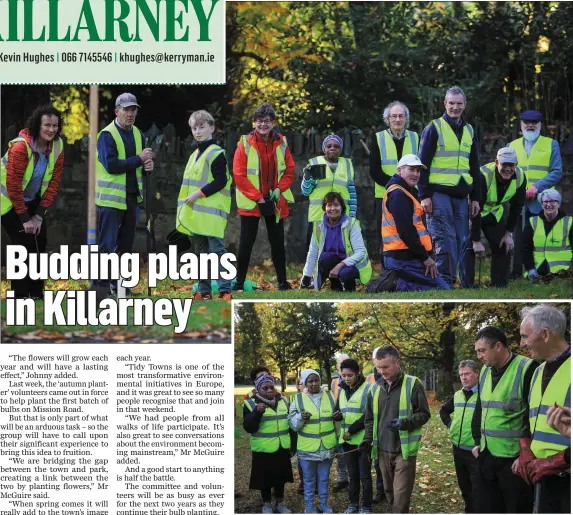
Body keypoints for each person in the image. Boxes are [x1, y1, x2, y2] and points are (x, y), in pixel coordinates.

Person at [418, 86, 481, 286]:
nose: (455, 107)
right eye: (451, 103)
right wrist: (424, 195)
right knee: (444, 239)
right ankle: (444, 281)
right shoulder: (434, 128)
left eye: (459, 103)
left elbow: (475, 166)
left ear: (465, 105)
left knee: (462, 240)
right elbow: (423, 164)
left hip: (462, 195)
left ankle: (464, 283)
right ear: (445, 104)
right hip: (438, 193)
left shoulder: (470, 130)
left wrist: (477, 197)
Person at [471, 326, 538, 513]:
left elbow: (535, 415)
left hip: (513, 460)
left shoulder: (527, 368)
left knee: (515, 508)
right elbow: (480, 407)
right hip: (486, 454)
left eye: (482, 351)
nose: (479, 356)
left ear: (498, 346)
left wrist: (526, 452)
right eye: (477, 352)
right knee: (486, 507)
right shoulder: (484, 372)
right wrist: (477, 441)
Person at [0, 104, 64, 299]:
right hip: (9, 201)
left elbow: (53, 184)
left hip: (31, 200)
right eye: (47, 125)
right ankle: (19, 296)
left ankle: (36, 293)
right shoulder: (21, 147)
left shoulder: (58, 147)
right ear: (38, 125)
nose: (51, 129)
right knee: (22, 244)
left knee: (40, 241)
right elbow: (13, 186)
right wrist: (25, 218)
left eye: (55, 125)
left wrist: (37, 216)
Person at [95, 92, 153, 295]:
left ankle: (120, 286)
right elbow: (111, 165)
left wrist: (148, 165)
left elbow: (142, 164)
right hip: (110, 200)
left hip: (131, 198)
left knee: (126, 246)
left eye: (133, 109)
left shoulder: (139, 134)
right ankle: (100, 288)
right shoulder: (106, 135)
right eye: (126, 109)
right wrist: (139, 159)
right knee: (107, 246)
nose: (130, 113)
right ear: (116, 112)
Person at [233, 102, 295, 291]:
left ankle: (283, 282)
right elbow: (239, 174)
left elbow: (290, 170)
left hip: (275, 201)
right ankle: (239, 283)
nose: (263, 125)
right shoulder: (244, 143)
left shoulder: (281, 143)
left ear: (273, 122)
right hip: (252, 202)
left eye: (267, 121)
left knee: (277, 244)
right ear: (254, 123)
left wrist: (279, 189)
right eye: (259, 121)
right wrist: (258, 197)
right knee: (245, 243)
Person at [516, 305, 570, 513]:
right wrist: (525, 448)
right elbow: (530, 418)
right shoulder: (537, 371)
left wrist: (561, 460)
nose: (521, 343)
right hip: (541, 477)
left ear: (545, 334)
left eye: (524, 336)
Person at [363, 346, 431, 513]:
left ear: (397, 363)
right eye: (378, 367)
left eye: (386, 367)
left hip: (404, 451)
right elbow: (370, 419)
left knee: (401, 496)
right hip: (382, 451)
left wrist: (404, 423)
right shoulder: (374, 388)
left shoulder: (413, 384)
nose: (381, 371)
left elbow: (424, 413)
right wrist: (367, 440)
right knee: (390, 493)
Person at [176, 110, 232, 300]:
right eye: (194, 128)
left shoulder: (216, 153)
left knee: (217, 252)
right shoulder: (194, 155)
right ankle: (204, 290)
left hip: (212, 213)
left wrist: (197, 195)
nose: (198, 131)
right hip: (198, 215)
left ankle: (225, 290)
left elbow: (221, 181)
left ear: (212, 128)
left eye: (202, 127)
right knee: (201, 254)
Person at [377, 154, 450, 291]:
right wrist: (425, 258)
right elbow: (406, 232)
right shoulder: (399, 194)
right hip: (402, 258)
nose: (416, 174)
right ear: (399, 170)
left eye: (418, 171)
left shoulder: (405, 192)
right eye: (412, 169)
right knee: (442, 289)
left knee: (440, 286)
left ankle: (398, 282)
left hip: (407, 256)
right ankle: (397, 285)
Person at [460, 146, 525, 288]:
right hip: (473, 212)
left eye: (511, 165)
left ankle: (499, 285)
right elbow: (476, 207)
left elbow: (517, 207)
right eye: (504, 165)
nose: (508, 169)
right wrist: (476, 240)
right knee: (469, 247)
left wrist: (508, 233)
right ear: (497, 163)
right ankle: (467, 286)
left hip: (493, 213)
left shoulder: (520, 176)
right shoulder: (484, 175)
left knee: (503, 244)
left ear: (516, 165)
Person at [509, 110, 563, 277]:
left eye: (535, 123)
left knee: (540, 239)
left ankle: (543, 272)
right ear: (521, 125)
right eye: (527, 122)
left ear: (541, 125)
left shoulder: (551, 144)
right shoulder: (512, 146)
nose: (530, 125)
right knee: (517, 239)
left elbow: (557, 172)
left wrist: (536, 187)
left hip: (542, 201)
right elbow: (506, 172)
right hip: (518, 200)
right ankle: (517, 273)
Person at [369, 101, 419, 252]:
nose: (397, 120)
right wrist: (396, 186)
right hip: (384, 195)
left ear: (406, 119)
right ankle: (388, 272)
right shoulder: (378, 138)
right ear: (388, 119)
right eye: (394, 116)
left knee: (412, 232)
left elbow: (420, 167)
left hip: (412, 195)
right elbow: (374, 171)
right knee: (386, 236)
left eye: (401, 116)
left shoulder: (416, 137)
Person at [300, 192, 372, 291]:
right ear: (324, 208)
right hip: (332, 262)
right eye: (329, 205)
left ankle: (349, 286)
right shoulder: (318, 226)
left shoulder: (352, 224)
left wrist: (340, 265)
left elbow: (360, 252)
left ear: (342, 207)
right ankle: (336, 285)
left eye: (336, 205)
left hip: (351, 265)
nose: (333, 209)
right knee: (324, 258)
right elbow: (313, 253)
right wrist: (306, 276)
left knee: (346, 273)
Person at [243, 374, 293, 514]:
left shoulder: (283, 401)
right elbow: (249, 427)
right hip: (263, 449)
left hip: (281, 447)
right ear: (258, 390)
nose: (270, 390)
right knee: (265, 479)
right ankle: (266, 504)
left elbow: (289, 423)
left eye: (272, 387)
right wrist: (256, 413)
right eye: (265, 388)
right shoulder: (250, 403)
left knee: (280, 477)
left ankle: (280, 503)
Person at [288, 369, 336, 514]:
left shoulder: (330, 396)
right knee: (308, 481)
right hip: (307, 447)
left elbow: (336, 420)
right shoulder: (298, 399)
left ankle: (323, 504)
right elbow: (292, 424)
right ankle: (309, 507)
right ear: (304, 383)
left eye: (316, 380)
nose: (314, 383)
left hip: (327, 446)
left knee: (323, 479)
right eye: (310, 381)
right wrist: (301, 417)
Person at [333, 359, 373, 514]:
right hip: (347, 442)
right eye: (343, 375)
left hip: (363, 441)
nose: (346, 378)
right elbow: (338, 411)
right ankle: (353, 504)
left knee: (365, 476)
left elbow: (368, 415)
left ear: (357, 373)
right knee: (353, 475)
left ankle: (366, 506)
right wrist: (336, 416)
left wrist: (352, 430)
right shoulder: (342, 390)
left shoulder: (368, 389)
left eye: (350, 375)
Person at [439, 360, 480, 513]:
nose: (463, 377)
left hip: (475, 450)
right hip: (457, 448)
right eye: (461, 374)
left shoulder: (483, 395)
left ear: (476, 373)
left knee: (478, 489)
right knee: (465, 488)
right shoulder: (457, 395)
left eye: (467, 374)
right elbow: (443, 411)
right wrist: (451, 425)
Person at [301, 134, 357, 244]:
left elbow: (352, 194)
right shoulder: (315, 164)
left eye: (336, 146)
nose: (332, 148)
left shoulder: (347, 165)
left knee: (340, 252)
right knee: (316, 253)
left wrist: (352, 216)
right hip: (318, 217)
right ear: (324, 149)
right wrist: (307, 177)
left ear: (340, 149)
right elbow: (306, 191)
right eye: (329, 146)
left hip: (342, 217)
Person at [522, 189, 572, 280]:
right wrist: (530, 269)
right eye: (545, 201)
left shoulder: (569, 222)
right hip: (537, 272)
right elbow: (526, 249)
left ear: (559, 203)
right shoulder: (532, 222)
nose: (549, 204)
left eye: (553, 201)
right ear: (541, 204)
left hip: (563, 273)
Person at [364, 347, 385, 505]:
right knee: (377, 464)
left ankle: (387, 490)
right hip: (374, 430)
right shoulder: (369, 379)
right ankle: (380, 490)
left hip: (390, 430)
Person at [330, 353, 350, 492]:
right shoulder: (334, 382)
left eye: (345, 362)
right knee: (339, 452)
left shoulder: (356, 380)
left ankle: (353, 478)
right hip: (338, 423)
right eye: (340, 364)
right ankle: (343, 478)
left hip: (351, 422)